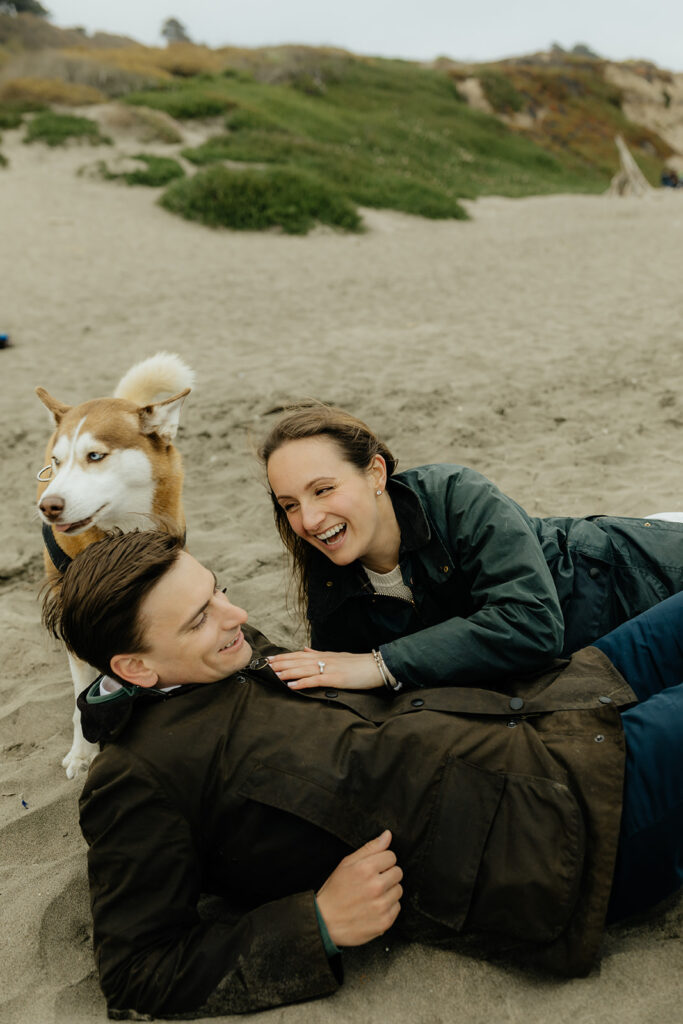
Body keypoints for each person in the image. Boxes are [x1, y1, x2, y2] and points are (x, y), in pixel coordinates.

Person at [42, 529, 683, 1019]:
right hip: (562, 825)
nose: (233, 615)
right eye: (199, 618)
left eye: (218, 589)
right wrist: (316, 920)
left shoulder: (220, 655)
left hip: (547, 705)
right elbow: (138, 971)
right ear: (137, 668)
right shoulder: (136, 781)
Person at [260, 404, 683, 692]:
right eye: (291, 505)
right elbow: (342, 679)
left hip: (637, 575)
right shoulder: (330, 566)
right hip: (590, 661)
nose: (309, 520)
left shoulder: (455, 494)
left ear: (374, 474)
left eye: (324, 489)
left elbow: (532, 624)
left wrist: (380, 664)